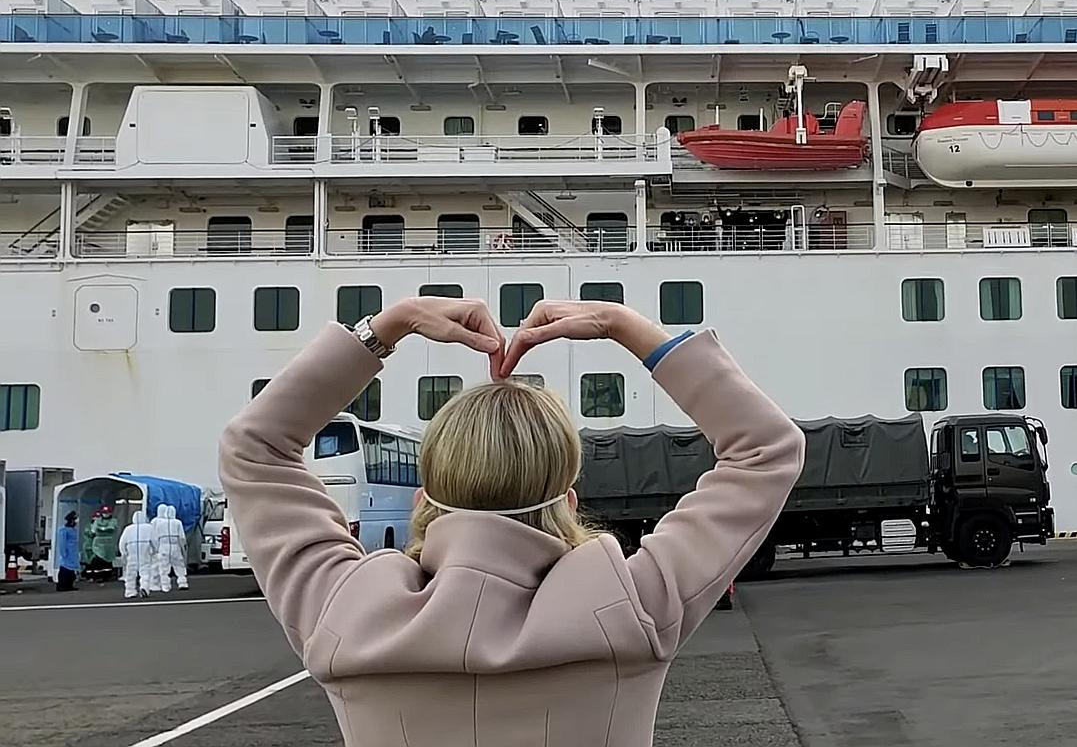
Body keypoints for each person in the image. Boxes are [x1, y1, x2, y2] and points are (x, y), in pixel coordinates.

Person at [220, 296, 803, 746]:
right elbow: (768, 448)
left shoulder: (341, 611)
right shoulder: (634, 605)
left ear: (423, 501)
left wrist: (386, 326)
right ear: (568, 503)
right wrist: (628, 328)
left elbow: (256, 446)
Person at [118, 510, 157, 599]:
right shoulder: (149, 528)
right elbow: (155, 541)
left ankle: (130, 591)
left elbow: (122, 543)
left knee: (130, 573)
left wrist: (124, 553)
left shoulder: (128, 529)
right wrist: (154, 551)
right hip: (144, 551)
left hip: (132, 552)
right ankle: (144, 588)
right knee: (145, 572)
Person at [150, 504, 189, 592]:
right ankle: (182, 582)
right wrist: (183, 547)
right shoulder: (178, 522)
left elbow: (155, 537)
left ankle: (165, 586)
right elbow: (182, 538)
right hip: (175, 546)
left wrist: (156, 548)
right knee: (179, 565)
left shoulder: (158, 523)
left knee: (163, 567)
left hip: (163, 546)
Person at [55, 512, 80, 592]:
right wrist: (64, 553)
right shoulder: (63, 530)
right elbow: (62, 543)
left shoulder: (73, 530)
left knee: (71, 571)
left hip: (73, 553)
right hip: (67, 553)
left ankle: (69, 585)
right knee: (65, 570)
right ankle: (63, 586)